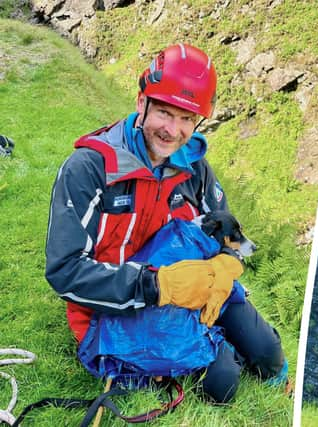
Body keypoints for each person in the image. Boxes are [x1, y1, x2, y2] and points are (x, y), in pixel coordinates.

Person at [45, 43, 284, 403]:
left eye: (187, 119)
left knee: (268, 354)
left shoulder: (195, 168)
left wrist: (226, 267)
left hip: (196, 289)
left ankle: (227, 345)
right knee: (223, 384)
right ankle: (214, 351)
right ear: (142, 103)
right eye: (165, 113)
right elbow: (64, 271)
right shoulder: (89, 170)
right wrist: (158, 286)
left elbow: (225, 235)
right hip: (121, 307)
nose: (174, 131)